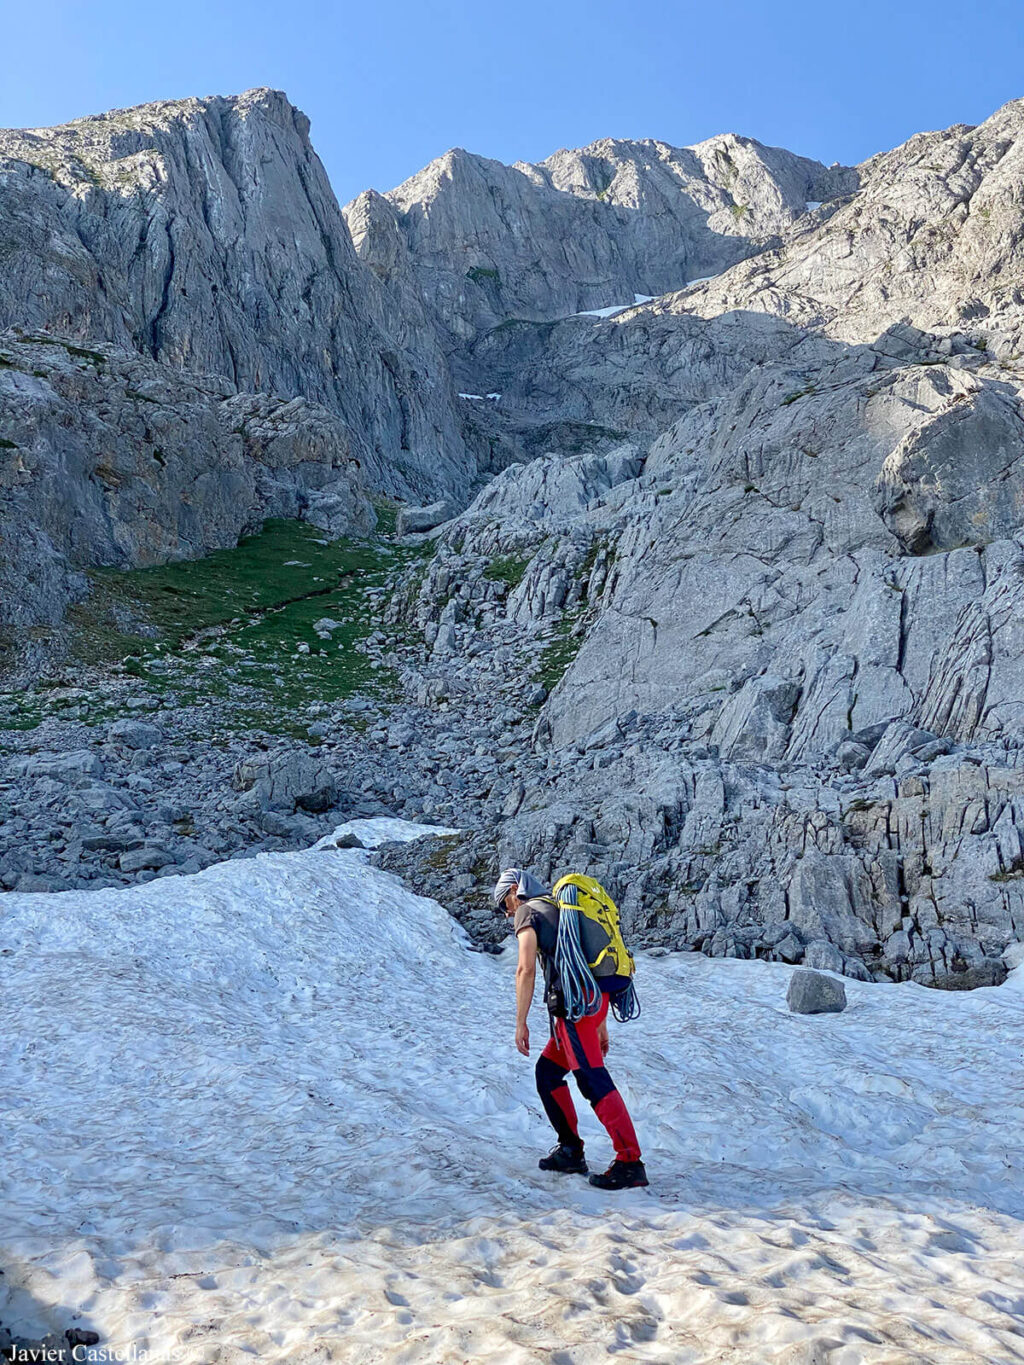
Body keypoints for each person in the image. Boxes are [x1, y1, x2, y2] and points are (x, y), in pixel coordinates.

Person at [493, 867, 648, 1190]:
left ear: (514, 891)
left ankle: (630, 1162)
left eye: (504, 904)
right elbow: (581, 960)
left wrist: (520, 1023)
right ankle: (570, 1150)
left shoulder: (527, 912)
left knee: (592, 1079)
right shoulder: (556, 908)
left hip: (575, 1011)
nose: (507, 913)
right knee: (547, 1073)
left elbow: (525, 969)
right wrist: (601, 1023)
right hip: (590, 1004)